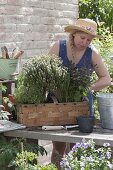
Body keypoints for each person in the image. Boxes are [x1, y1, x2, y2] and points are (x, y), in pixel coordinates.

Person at [48, 18, 111, 169]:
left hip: (82, 106)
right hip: (58, 104)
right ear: (74, 34)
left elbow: (106, 79)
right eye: (82, 38)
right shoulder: (59, 47)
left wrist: (88, 87)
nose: (85, 42)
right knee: (58, 146)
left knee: (77, 147)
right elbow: (45, 72)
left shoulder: (92, 53)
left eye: (89, 40)